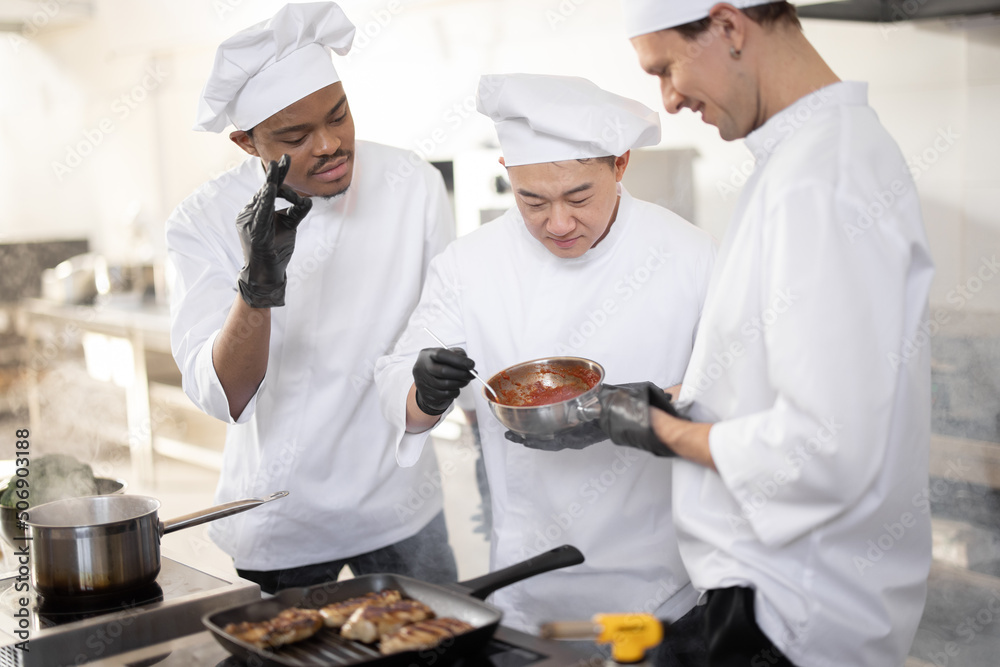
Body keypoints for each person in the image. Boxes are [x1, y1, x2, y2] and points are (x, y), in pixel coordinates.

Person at [597, 2, 935, 665]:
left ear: (727, 26)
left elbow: (826, 446)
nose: (667, 100)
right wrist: (681, 399)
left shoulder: (820, 181)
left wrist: (661, 431)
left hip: (794, 618)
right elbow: (796, 379)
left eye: (665, 68)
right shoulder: (811, 156)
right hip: (778, 597)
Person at [375, 73, 717, 662]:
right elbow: (399, 387)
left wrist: (634, 409)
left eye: (579, 197)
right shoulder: (470, 264)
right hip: (526, 587)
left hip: (660, 590)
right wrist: (424, 390)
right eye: (532, 200)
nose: (557, 224)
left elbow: (739, 390)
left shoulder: (691, 255)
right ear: (508, 171)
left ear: (621, 164)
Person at [166, 2, 457, 593]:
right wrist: (259, 286)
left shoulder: (412, 185)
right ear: (247, 143)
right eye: (297, 137)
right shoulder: (202, 220)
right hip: (281, 518)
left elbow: (446, 326)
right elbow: (223, 397)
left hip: (400, 503)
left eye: (339, 114)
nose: (330, 144)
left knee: (442, 651)